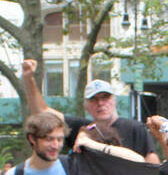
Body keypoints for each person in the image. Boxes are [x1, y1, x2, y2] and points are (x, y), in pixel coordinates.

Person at [21, 61, 159, 164]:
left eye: (105, 98)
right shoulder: (82, 128)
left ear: (114, 100)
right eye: (94, 99)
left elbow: (152, 165)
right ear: (86, 106)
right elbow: (42, 112)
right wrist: (28, 78)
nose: (100, 103)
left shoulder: (134, 128)